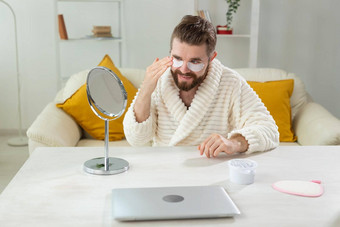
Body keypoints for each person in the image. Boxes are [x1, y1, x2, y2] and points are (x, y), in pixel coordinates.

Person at [123, 15, 279, 158]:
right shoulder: (157, 81)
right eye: (177, 59)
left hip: (212, 170)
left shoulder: (231, 82)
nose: (183, 69)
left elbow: (270, 131)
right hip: (165, 169)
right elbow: (136, 140)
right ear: (170, 53)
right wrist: (145, 90)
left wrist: (234, 143)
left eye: (195, 62)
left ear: (212, 58)